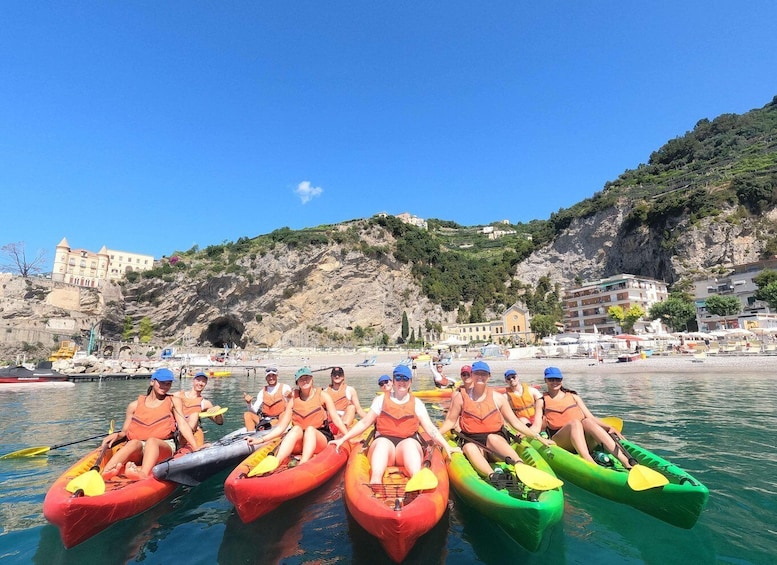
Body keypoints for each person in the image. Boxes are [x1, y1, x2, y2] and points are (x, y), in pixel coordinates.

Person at [331, 364, 459, 483]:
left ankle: (416, 479)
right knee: (381, 444)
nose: (402, 382)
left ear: (410, 382)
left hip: (407, 444)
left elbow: (430, 428)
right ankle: (376, 479)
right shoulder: (381, 400)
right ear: (394, 380)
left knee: (410, 445)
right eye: (398, 378)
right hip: (385, 445)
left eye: (405, 379)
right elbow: (364, 422)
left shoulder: (417, 403)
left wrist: (446, 446)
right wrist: (343, 439)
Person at [438, 361, 553, 480]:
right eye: (477, 373)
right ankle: (492, 476)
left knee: (492, 438)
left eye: (484, 374)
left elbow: (515, 423)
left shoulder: (498, 398)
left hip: (496, 444)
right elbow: (450, 422)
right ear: (472, 375)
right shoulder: (460, 398)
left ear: (489, 376)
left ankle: (519, 465)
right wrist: (434, 435)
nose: (480, 377)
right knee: (469, 447)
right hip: (473, 441)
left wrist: (538, 437)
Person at [101, 368, 200, 480]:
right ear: (152, 382)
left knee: (152, 441)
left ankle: (143, 474)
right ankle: (105, 473)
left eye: (168, 384)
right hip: (139, 447)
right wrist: (117, 435)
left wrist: (196, 447)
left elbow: (182, 424)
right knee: (133, 443)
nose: (165, 386)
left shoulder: (173, 401)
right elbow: (125, 432)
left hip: (162, 446)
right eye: (162, 383)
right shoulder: (134, 406)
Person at [247, 367, 347, 466]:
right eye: (301, 379)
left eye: (307, 378)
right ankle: (276, 461)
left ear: (312, 379)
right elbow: (281, 427)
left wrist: (347, 436)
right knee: (295, 429)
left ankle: (303, 464)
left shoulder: (323, 395)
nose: (305, 381)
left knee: (310, 430)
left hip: (319, 438)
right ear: (297, 382)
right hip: (300, 440)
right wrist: (260, 440)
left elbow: (336, 419)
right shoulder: (293, 400)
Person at [540, 366, 631, 468]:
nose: (555, 382)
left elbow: (591, 417)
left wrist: (609, 427)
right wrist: (525, 433)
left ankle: (626, 461)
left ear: (561, 380)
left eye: (558, 379)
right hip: (562, 441)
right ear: (545, 380)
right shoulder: (541, 401)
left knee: (587, 421)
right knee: (575, 423)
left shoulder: (574, 396)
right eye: (551, 379)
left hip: (584, 440)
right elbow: (536, 425)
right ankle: (588, 461)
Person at [174, 371, 224, 450]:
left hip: (193, 431)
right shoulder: (178, 395)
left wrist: (218, 411)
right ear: (193, 381)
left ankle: (184, 439)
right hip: (177, 428)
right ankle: (181, 440)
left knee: (195, 415)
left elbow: (219, 422)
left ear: (205, 384)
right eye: (198, 380)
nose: (200, 383)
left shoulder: (205, 403)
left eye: (203, 381)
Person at [242, 367, 293, 431]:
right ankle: (250, 435)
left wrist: (291, 397)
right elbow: (254, 411)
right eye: (269, 376)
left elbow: (293, 406)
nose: (271, 378)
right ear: (266, 378)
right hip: (265, 420)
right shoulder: (262, 392)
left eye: (273, 375)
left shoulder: (285, 387)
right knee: (247, 414)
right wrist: (249, 403)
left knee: (284, 414)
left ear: (277, 376)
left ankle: (277, 431)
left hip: (279, 419)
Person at [502, 369, 543, 436]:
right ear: (506, 381)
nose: (511, 379)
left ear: (517, 377)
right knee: (522, 419)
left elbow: (541, 400)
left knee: (543, 418)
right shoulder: (506, 396)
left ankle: (537, 432)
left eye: (513, 377)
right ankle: (530, 433)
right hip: (522, 420)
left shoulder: (531, 390)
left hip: (535, 417)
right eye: (509, 379)